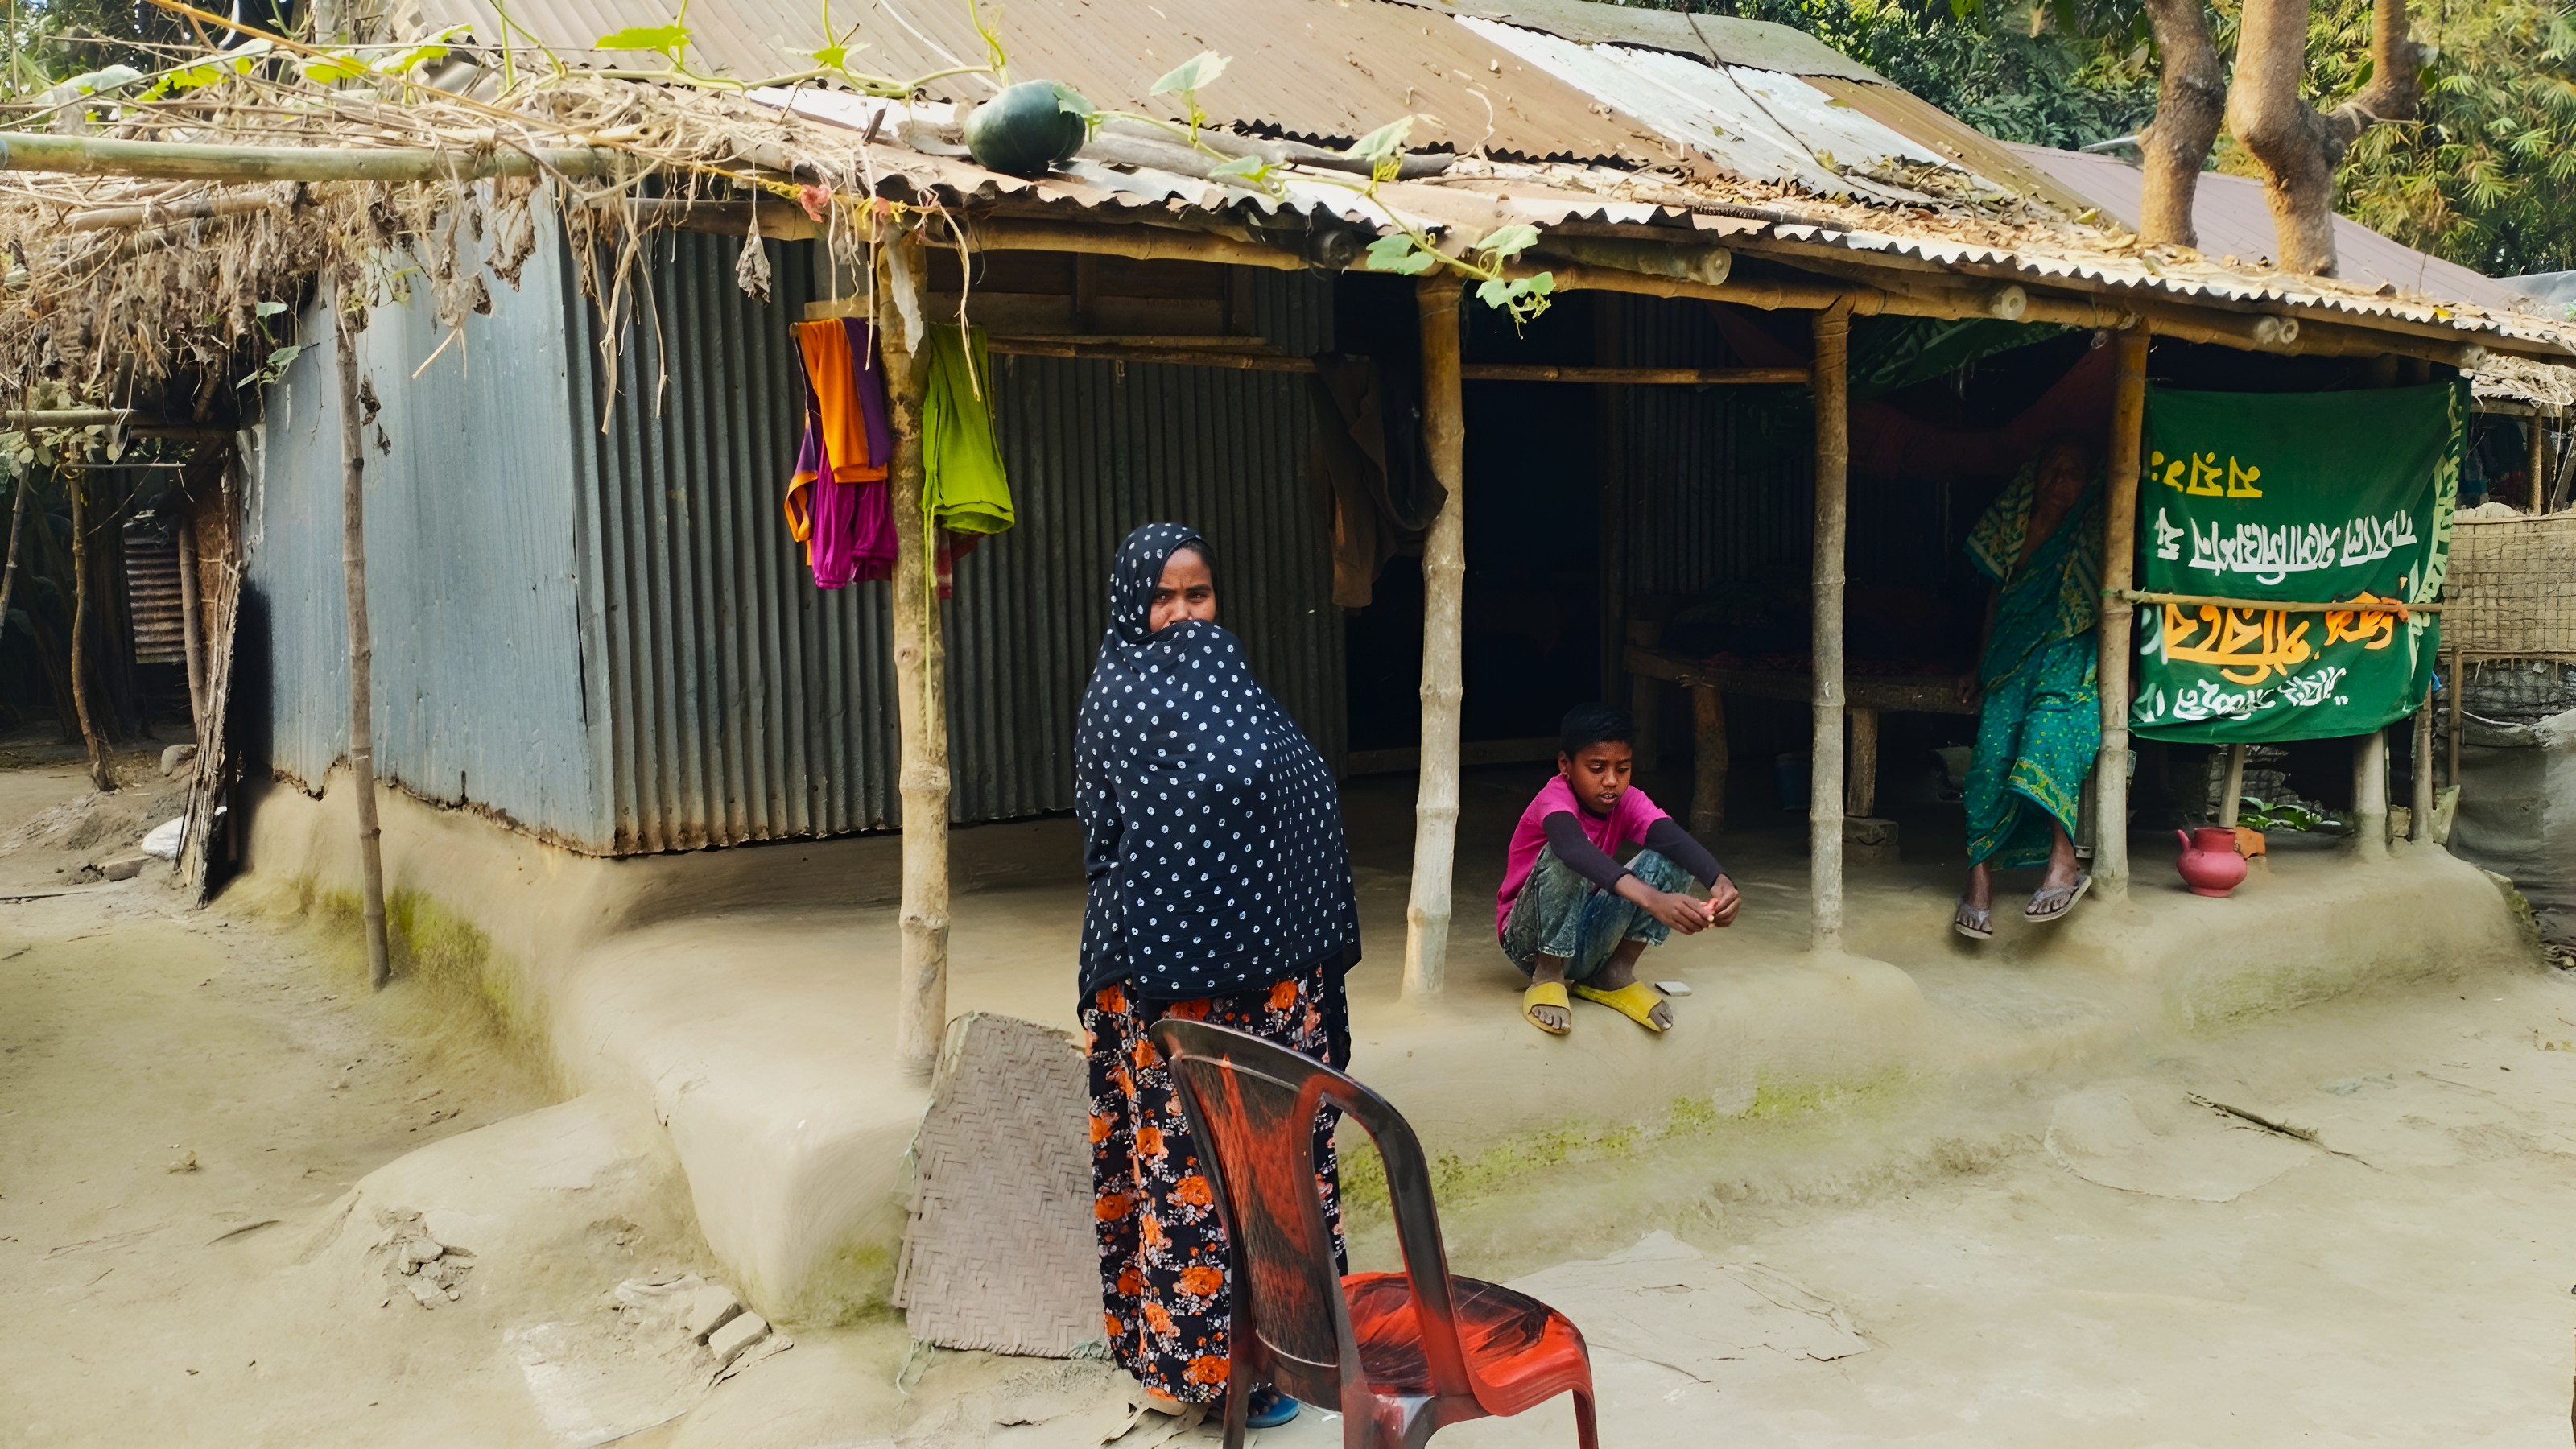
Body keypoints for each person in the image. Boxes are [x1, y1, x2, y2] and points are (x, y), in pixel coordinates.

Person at [1075, 522, 1360, 1431]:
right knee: (1187, 1174)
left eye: (1197, 595)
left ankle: (1283, 1360)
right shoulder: (1114, 700)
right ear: (1132, 605)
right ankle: (1195, 1369)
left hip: (1268, 994)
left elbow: (1300, 808)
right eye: (1162, 598)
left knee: (1272, 1170)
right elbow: (1112, 842)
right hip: (1168, 1001)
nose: (1183, 615)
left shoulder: (1244, 696)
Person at [1496, 703, 1740, 1035]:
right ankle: (1548, 975)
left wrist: (1720, 881)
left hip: (1589, 935)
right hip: (1530, 941)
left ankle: (1614, 973)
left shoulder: (1629, 801)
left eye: (1622, 768)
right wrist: (1652, 900)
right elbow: (1572, 849)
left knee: (1673, 858)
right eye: (1597, 768)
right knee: (1566, 856)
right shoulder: (1554, 798)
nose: (1611, 781)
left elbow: (1674, 840)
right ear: (1565, 765)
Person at [1952, 436, 2103, 939]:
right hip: (2009, 660)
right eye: (2053, 471)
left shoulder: (2094, 531)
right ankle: (1979, 879)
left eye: (2073, 472)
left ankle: (2063, 862)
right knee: (1990, 755)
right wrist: (1978, 668)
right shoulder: (2013, 529)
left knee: (2050, 731)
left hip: (2067, 651)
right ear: (2035, 478)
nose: (2061, 482)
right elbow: (1997, 602)